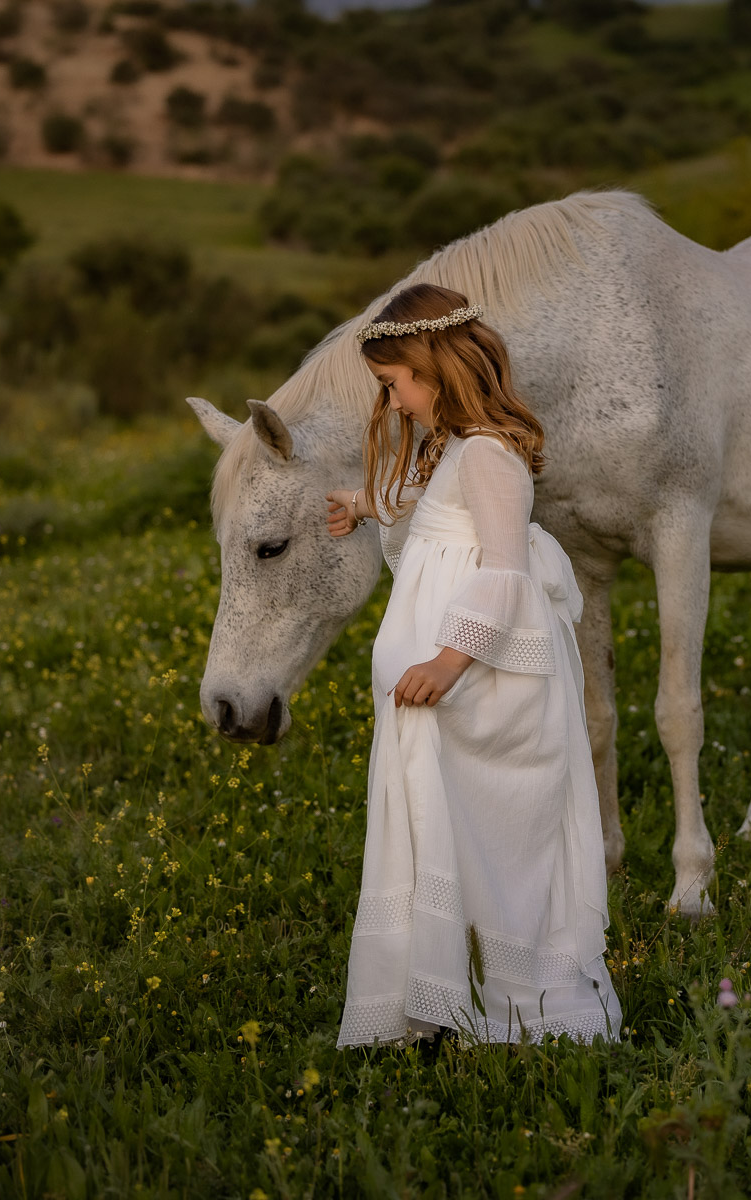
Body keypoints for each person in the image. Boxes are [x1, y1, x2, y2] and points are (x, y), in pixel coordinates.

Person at [324, 282, 622, 1047]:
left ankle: (513, 1003)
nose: (390, 405)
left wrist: (449, 661)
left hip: (473, 684)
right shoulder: (452, 451)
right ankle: (431, 1001)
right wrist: (361, 504)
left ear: (434, 370)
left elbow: (501, 569)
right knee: (433, 829)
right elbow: (430, 516)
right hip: (436, 691)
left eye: (393, 386)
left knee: (482, 833)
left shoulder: (489, 456)